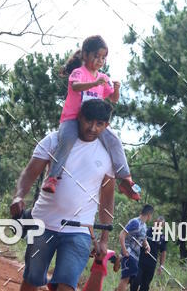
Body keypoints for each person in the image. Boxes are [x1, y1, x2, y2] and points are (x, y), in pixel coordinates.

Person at [9, 98, 116, 291]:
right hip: (43, 223)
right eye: (88, 121)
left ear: (106, 125)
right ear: (78, 117)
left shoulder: (107, 154)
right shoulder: (56, 139)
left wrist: (103, 237)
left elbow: (107, 199)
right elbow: (30, 172)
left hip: (80, 230)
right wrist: (18, 195)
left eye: (99, 124)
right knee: (33, 277)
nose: (92, 127)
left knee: (68, 280)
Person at [41, 35, 140, 201]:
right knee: (67, 139)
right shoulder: (79, 73)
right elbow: (75, 86)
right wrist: (95, 84)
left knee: (114, 141)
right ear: (85, 55)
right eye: (96, 56)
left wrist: (116, 89)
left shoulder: (104, 77)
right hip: (73, 118)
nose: (100, 60)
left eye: (103, 57)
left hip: (94, 121)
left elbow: (113, 99)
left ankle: (125, 179)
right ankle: (53, 177)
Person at [114, 204, 154, 291]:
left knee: (131, 277)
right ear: (149, 215)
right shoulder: (135, 222)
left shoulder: (144, 226)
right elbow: (122, 234)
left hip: (136, 255)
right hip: (129, 253)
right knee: (126, 277)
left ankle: (119, 259)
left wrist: (147, 245)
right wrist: (124, 250)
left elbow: (143, 238)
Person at [127, 215, 166, 291]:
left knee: (145, 285)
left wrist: (161, 265)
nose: (158, 226)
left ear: (163, 226)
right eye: (157, 223)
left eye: (160, 225)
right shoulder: (147, 231)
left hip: (152, 264)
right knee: (136, 281)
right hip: (140, 260)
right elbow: (138, 240)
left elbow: (163, 252)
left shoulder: (162, 237)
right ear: (154, 223)